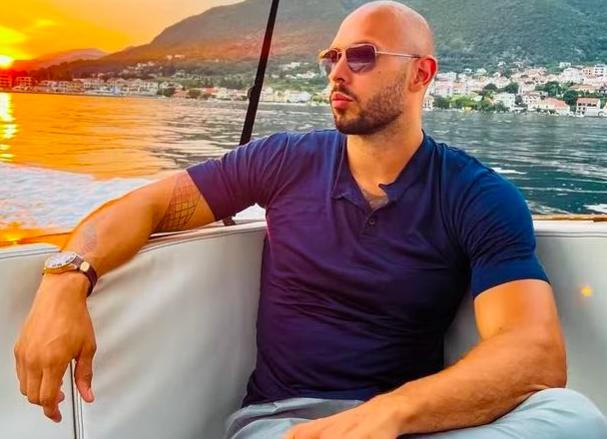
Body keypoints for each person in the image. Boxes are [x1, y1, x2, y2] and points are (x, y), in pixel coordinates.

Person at [14, 1, 607, 438]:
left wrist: (392, 413)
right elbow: (150, 204)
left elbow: (532, 351)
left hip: (409, 424)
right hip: (285, 423)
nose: (337, 73)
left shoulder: (476, 195)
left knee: (573, 416)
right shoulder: (283, 161)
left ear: (421, 75)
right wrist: (66, 279)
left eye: (362, 56)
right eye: (332, 56)